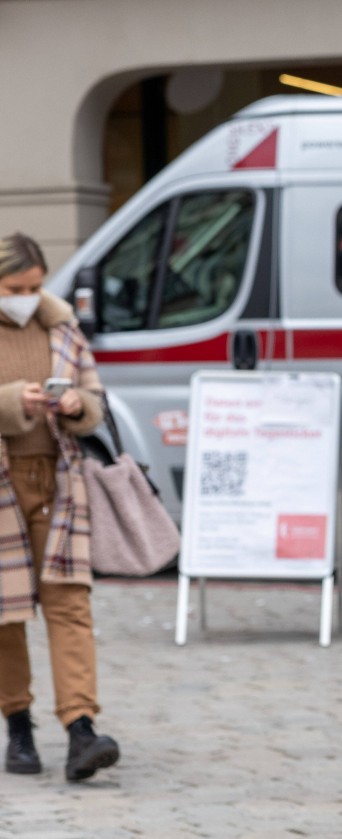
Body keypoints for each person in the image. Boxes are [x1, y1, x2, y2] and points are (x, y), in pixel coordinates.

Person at [0, 232, 121, 782]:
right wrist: (9, 401)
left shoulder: (62, 323)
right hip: (3, 486)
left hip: (58, 481)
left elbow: (96, 401)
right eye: (14, 287)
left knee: (70, 604)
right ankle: (18, 729)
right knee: (5, 615)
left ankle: (81, 730)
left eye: (35, 285)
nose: (27, 295)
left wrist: (76, 404)